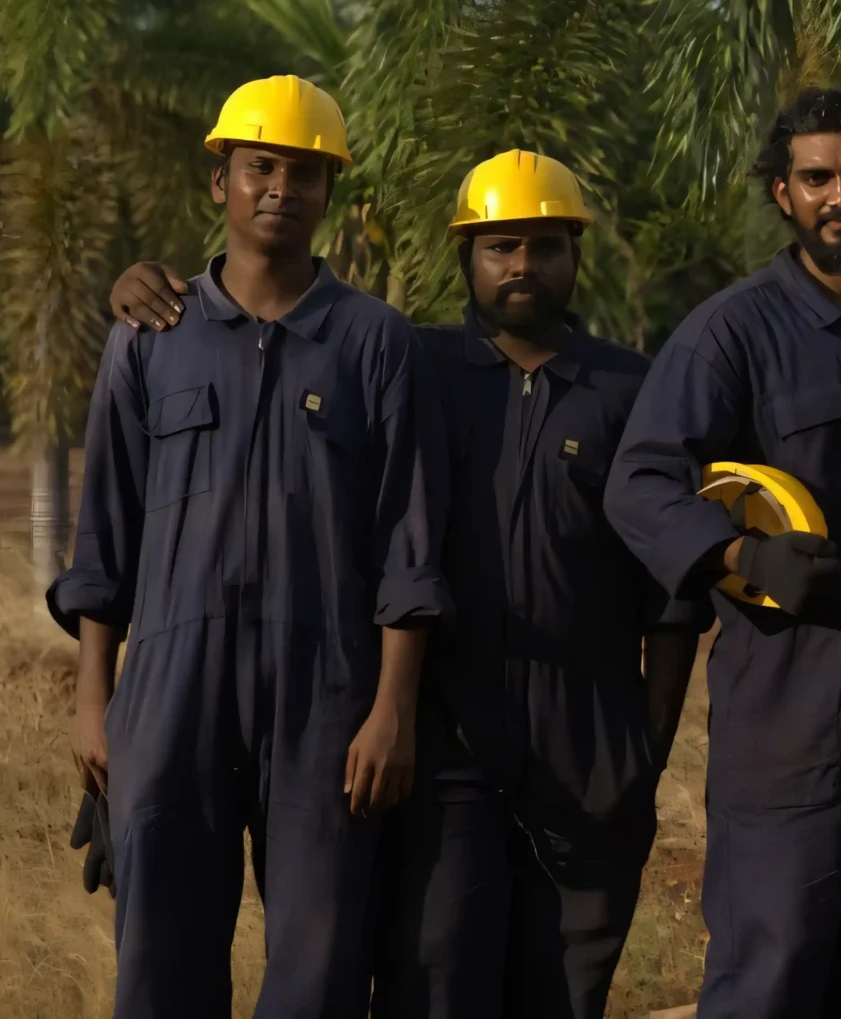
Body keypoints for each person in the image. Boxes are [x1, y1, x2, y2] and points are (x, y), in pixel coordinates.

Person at [107, 151, 703, 1018]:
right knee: (430, 979)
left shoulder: (633, 390)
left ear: (577, 254)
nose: (522, 265)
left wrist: (645, 749)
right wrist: (141, 285)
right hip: (444, 740)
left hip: (586, 745)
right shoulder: (409, 360)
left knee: (567, 988)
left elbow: (670, 589)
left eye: (544, 245)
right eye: (500, 246)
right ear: (466, 257)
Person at [603, 86, 841, 1017]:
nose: (840, 195)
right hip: (785, 705)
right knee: (771, 965)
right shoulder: (733, 332)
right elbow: (641, 482)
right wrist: (738, 559)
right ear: (783, 193)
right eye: (816, 178)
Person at [55, 74, 446, 1017]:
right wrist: (95, 700)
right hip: (171, 685)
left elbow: (409, 544)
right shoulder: (150, 335)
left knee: (319, 961)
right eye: (260, 166)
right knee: (160, 957)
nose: (280, 188)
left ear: (330, 191)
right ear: (220, 181)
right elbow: (104, 534)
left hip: (327, 689)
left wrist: (392, 710)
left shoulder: (376, 343)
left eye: (305, 173)